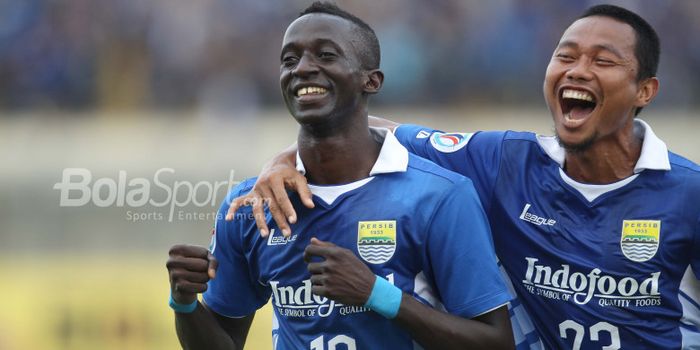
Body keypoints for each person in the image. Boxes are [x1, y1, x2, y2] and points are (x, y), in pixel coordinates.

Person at [229, 4, 700, 349]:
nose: (577, 70)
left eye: (602, 61)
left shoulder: (689, 192)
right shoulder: (503, 161)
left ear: (645, 90)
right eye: (566, 56)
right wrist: (283, 161)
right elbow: (356, 128)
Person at [167, 2, 515, 349]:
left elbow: (495, 342)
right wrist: (184, 304)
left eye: (326, 55)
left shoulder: (440, 197)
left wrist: (377, 294)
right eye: (290, 60)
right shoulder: (253, 206)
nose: (303, 68)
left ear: (371, 80)